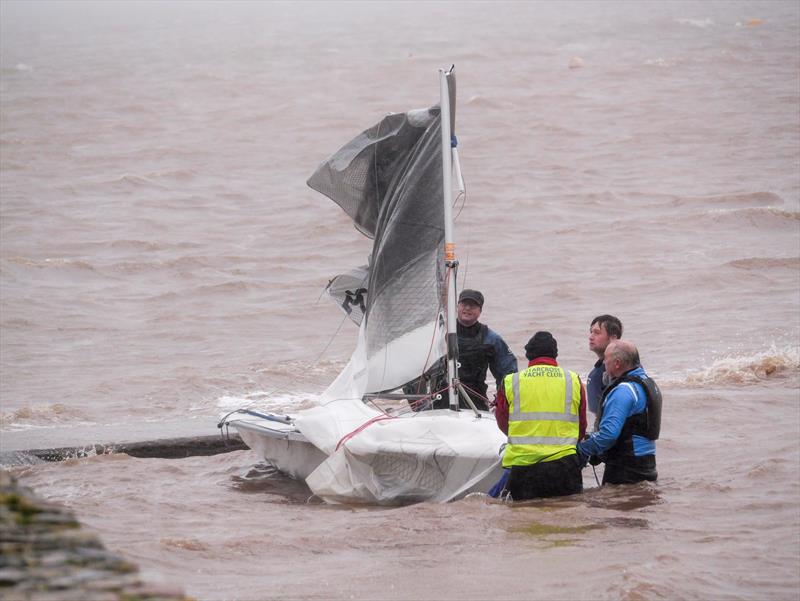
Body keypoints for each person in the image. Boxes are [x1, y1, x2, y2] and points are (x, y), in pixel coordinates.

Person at [493, 331, 587, 501]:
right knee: (568, 520)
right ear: (555, 355)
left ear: (528, 355)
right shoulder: (573, 380)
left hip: (524, 467)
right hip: (565, 466)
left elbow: (502, 422)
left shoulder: (511, 381)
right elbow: (581, 426)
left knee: (523, 521)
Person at [406, 288, 517, 411]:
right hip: (439, 405)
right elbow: (413, 364)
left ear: (480, 311)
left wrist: (501, 404)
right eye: (464, 304)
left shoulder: (491, 339)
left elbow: (509, 375)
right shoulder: (439, 333)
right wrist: (419, 404)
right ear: (457, 307)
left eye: (473, 305)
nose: (468, 308)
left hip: (475, 405)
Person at [577, 340, 660, 485]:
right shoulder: (646, 383)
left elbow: (608, 436)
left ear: (617, 363)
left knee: (611, 507)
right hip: (647, 464)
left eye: (606, 359)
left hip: (626, 469)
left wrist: (581, 450)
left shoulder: (623, 391)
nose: (604, 363)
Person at [587, 315, 623, 421]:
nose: (591, 337)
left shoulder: (620, 369)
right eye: (591, 332)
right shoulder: (599, 368)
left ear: (613, 338)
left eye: (597, 333)